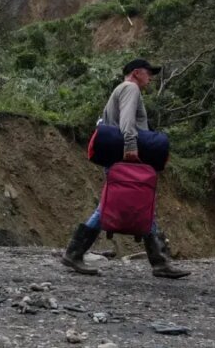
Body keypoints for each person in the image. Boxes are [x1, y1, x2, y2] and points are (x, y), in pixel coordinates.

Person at [61, 58, 191, 279]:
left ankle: (159, 262)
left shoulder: (121, 89)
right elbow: (127, 122)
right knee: (116, 206)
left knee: (129, 204)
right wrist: (131, 148)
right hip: (126, 155)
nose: (150, 78)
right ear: (137, 73)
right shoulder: (131, 89)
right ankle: (75, 253)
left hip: (116, 157)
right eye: (149, 73)